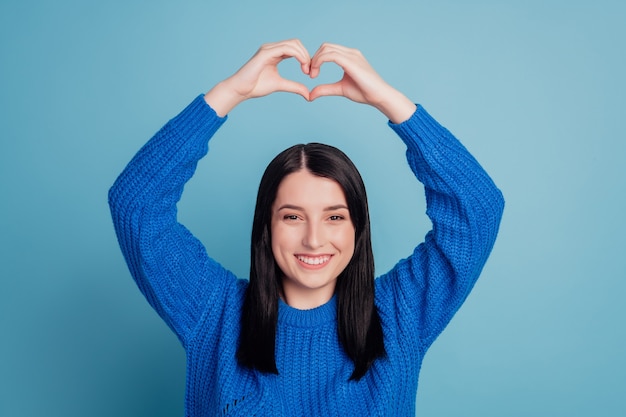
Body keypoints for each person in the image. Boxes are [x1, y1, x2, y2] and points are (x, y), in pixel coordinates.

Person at [109, 39, 504, 416]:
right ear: (267, 227)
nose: (314, 239)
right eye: (292, 216)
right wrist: (229, 93)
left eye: (334, 217)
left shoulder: (401, 313)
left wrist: (389, 101)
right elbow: (135, 204)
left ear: (357, 229)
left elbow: (478, 209)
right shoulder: (213, 312)